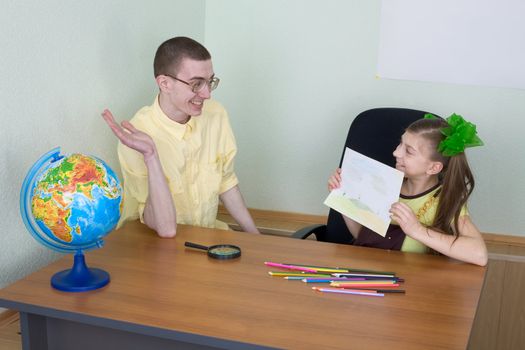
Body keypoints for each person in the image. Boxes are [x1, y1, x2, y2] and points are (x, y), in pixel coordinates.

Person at [102, 36, 259, 238]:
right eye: (196, 84)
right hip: (153, 244)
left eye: (210, 82)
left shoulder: (215, 114)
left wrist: (256, 238)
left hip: (207, 238)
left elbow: (226, 183)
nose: (207, 94)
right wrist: (151, 156)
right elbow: (164, 228)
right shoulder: (137, 135)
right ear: (165, 83)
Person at [328, 114, 488, 266]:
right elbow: (361, 237)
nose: (395, 152)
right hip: (366, 271)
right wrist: (342, 196)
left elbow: (480, 255)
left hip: (409, 282)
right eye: (400, 144)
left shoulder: (444, 200)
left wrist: (416, 230)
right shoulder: (383, 184)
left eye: (409, 151)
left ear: (433, 167)